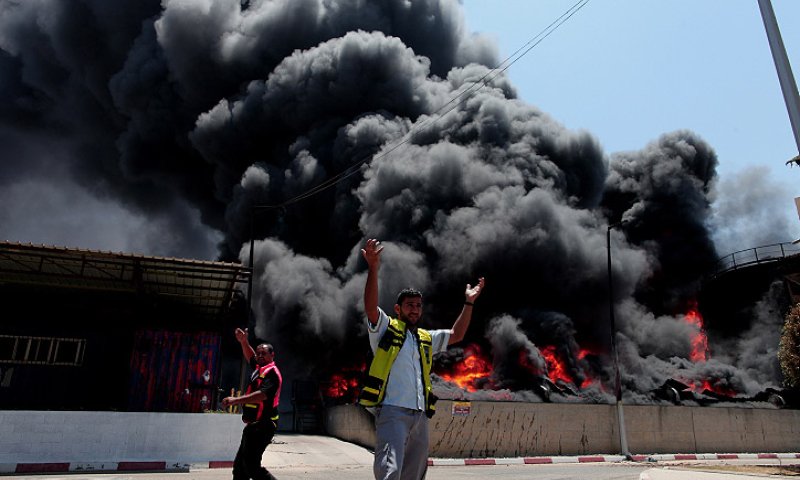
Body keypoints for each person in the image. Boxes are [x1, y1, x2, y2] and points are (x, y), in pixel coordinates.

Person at [359, 238, 485, 480]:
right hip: (392, 411)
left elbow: (457, 334)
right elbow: (371, 309)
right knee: (389, 471)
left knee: (415, 473)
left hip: (420, 415)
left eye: (418, 305)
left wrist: (469, 302)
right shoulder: (386, 329)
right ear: (398, 309)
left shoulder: (425, 338)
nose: (415, 309)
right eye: (409, 305)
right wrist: (373, 268)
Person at [222, 328, 282, 480]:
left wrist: (236, 400)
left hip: (264, 425)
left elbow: (261, 395)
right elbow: (250, 356)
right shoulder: (259, 368)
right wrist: (244, 341)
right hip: (253, 425)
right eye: (258, 353)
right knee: (239, 469)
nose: (260, 356)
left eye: (264, 353)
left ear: (272, 355)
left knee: (251, 467)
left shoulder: (272, 373)